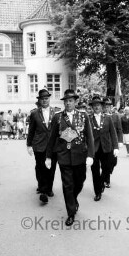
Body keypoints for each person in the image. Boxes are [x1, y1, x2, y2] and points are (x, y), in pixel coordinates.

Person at [45, 89, 94, 226]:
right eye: (66, 101)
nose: (68, 103)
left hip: (80, 155)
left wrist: (90, 155)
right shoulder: (58, 117)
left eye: (70, 101)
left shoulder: (83, 116)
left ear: (75, 102)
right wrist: (48, 156)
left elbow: (89, 136)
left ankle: (74, 199)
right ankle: (71, 213)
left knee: (79, 182)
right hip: (64, 156)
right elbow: (52, 137)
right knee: (67, 185)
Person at [27, 89, 57, 203]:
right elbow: (31, 130)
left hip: (53, 145)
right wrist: (29, 145)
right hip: (39, 145)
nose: (44, 101)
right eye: (42, 99)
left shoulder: (56, 112)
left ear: (49, 99)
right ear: (39, 100)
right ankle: (43, 189)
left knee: (51, 168)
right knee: (40, 167)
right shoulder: (34, 113)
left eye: (46, 98)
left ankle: (49, 188)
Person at [89, 95, 119, 201]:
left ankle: (102, 182)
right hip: (94, 149)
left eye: (98, 105)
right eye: (94, 105)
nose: (96, 107)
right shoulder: (88, 119)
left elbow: (113, 133)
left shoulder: (108, 118)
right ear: (92, 107)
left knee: (108, 167)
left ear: (102, 106)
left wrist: (116, 147)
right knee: (95, 171)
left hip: (107, 147)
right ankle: (97, 192)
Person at [103, 97, 123, 188]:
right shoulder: (101, 116)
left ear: (111, 107)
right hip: (104, 143)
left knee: (114, 162)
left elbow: (119, 129)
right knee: (106, 162)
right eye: (105, 106)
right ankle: (106, 180)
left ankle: (107, 172)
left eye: (108, 106)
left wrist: (120, 141)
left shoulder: (115, 116)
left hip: (113, 142)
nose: (106, 108)